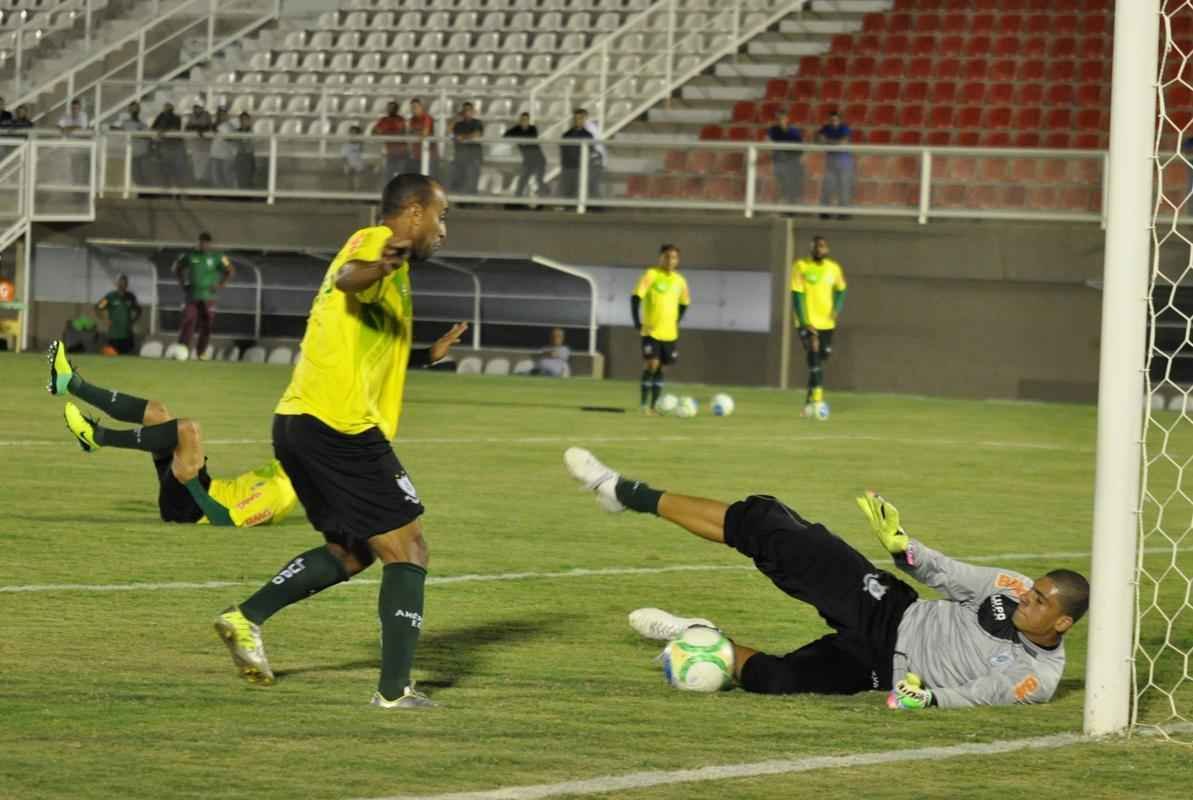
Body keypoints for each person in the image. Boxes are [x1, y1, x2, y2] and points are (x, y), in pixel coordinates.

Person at [564, 447, 1090, 709]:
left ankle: (697, 639)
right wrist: (905, 549)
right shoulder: (1010, 587)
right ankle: (621, 490)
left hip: (881, 669)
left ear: (1061, 622)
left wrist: (927, 699)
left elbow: (983, 694)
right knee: (771, 528)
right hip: (888, 609)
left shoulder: (1035, 678)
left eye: (1040, 600)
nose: (1027, 596)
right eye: (1032, 588)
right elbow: (953, 576)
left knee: (777, 681)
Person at [212, 173, 468, 708]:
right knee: (409, 548)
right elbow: (351, 278)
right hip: (339, 427)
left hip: (303, 422)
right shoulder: (374, 242)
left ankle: (246, 617)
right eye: (441, 217)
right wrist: (384, 261)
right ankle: (395, 692)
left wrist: (427, 356)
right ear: (414, 212)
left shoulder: (394, 277)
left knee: (351, 553)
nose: (443, 231)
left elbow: (367, 336)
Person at [49, 342, 298, 528]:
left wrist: (190, 481)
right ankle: (72, 383)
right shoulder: (283, 468)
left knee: (188, 429)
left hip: (192, 508)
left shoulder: (280, 492)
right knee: (157, 412)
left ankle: (99, 437)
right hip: (197, 486)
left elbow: (227, 520)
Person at [792, 235, 846, 418]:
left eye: (822, 247)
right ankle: (818, 399)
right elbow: (796, 295)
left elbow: (842, 290)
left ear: (827, 250)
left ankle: (808, 405)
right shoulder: (801, 267)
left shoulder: (834, 269)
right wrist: (804, 321)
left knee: (822, 357)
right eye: (816, 246)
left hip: (827, 323)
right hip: (807, 322)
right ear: (811, 248)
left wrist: (837, 308)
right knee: (813, 352)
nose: (819, 249)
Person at [632, 244, 689, 414]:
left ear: (677, 260)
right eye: (666, 256)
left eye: (673, 257)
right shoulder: (651, 275)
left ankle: (654, 405)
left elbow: (684, 303)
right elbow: (636, 297)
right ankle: (643, 405)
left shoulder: (680, 281)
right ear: (660, 258)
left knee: (661, 368)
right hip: (651, 331)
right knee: (652, 365)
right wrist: (636, 321)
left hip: (670, 334)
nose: (670, 260)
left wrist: (676, 321)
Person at [173, 232, 234, 359]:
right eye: (201, 242)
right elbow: (176, 268)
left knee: (207, 325)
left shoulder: (218, 257)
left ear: (210, 244)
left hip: (209, 297)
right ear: (198, 242)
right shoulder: (189, 255)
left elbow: (231, 270)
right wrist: (182, 283)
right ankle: (182, 350)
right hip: (192, 295)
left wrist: (220, 285)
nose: (204, 245)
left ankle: (201, 352)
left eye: (206, 242)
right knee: (188, 319)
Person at [816, 111, 855, 216]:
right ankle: (825, 211)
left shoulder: (844, 128)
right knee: (828, 186)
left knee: (843, 186)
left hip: (844, 161)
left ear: (839, 120)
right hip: (831, 161)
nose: (833, 122)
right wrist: (833, 143)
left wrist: (828, 142)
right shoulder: (826, 128)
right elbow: (818, 139)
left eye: (835, 120)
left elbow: (843, 142)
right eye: (831, 120)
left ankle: (844, 212)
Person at [95, 274, 142, 355]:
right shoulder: (110, 297)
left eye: (124, 283)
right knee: (112, 358)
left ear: (127, 285)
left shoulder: (130, 297)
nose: (122, 285)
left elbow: (139, 310)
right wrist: (105, 320)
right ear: (117, 284)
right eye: (120, 282)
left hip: (127, 334)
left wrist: (133, 321)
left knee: (127, 358)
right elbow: (98, 308)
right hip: (114, 335)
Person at [767, 110, 804, 208]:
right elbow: (767, 141)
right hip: (778, 162)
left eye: (782, 119)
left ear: (787, 119)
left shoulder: (793, 131)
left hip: (792, 162)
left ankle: (792, 207)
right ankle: (781, 206)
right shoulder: (773, 130)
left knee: (791, 185)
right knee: (780, 184)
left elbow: (800, 147)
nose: (780, 121)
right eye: (778, 119)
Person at [504, 112, 546, 199]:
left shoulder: (532, 129)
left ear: (528, 121)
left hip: (539, 159)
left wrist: (518, 138)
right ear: (520, 121)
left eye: (526, 120)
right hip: (528, 160)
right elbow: (505, 135)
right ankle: (517, 199)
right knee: (522, 179)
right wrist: (517, 136)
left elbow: (530, 138)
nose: (524, 122)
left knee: (539, 179)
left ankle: (544, 197)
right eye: (522, 120)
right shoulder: (517, 129)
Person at [559, 108, 595, 201]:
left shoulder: (588, 135)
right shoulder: (566, 135)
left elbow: (590, 150)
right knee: (567, 190)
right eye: (576, 118)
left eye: (580, 118)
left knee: (579, 190)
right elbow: (563, 149)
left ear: (583, 120)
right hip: (568, 166)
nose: (578, 120)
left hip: (581, 167)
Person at [113, 101, 150, 188]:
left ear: (139, 110)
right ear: (129, 110)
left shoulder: (143, 124)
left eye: (136, 109)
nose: (134, 111)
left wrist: (139, 133)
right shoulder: (126, 123)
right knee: (134, 175)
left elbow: (148, 136)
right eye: (132, 109)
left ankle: (144, 193)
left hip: (141, 154)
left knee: (142, 175)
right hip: (130, 153)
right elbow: (120, 132)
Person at [450, 102, 484, 195]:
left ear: (472, 111)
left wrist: (462, 137)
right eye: (465, 110)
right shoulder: (458, 124)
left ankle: (472, 202)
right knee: (462, 180)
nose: (467, 112)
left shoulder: (477, 122)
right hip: (461, 156)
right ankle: (462, 202)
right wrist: (454, 119)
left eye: (469, 110)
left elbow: (476, 134)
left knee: (472, 180)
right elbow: (450, 133)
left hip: (474, 156)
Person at [151, 102, 185, 190]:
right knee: (165, 168)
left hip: (175, 147)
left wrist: (163, 130)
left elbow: (175, 128)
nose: (167, 110)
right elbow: (153, 128)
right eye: (166, 108)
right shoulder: (160, 116)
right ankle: (166, 190)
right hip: (163, 146)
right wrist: (160, 130)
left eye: (169, 109)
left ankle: (177, 190)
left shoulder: (176, 118)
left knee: (176, 169)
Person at [57, 98, 91, 184]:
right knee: (73, 168)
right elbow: (59, 126)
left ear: (80, 108)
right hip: (72, 147)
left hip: (83, 147)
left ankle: (83, 186)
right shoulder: (67, 116)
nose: (74, 110)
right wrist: (68, 128)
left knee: (83, 169)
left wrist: (67, 128)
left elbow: (81, 127)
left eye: (76, 108)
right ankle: (75, 185)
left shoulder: (83, 115)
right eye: (73, 108)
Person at [373, 101, 407, 182]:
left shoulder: (400, 119)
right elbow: (374, 131)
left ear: (396, 109)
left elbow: (401, 132)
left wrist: (385, 132)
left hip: (401, 151)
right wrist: (382, 132)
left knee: (400, 175)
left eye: (392, 108)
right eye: (389, 108)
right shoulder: (383, 120)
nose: (390, 109)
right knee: (388, 175)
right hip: (389, 151)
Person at [185, 102, 214, 187]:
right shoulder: (191, 116)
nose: (197, 109)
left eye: (199, 107)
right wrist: (197, 128)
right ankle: (198, 183)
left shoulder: (207, 115)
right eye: (196, 107)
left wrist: (198, 128)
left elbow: (208, 127)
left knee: (204, 165)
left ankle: (204, 184)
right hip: (195, 144)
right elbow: (188, 127)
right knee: (196, 164)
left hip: (205, 145)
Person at [209, 108, 237, 189]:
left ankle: (232, 194)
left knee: (228, 176)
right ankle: (219, 194)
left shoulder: (229, 126)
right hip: (215, 154)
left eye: (224, 114)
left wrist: (225, 136)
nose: (222, 116)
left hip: (226, 155)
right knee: (216, 176)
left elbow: (231, 138)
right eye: (220, 114)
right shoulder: (213, 126)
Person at [407, 98, 435, 174]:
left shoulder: (427, 118)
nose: (413, 109)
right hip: (416, 155)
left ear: (421, 107)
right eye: (412, 107)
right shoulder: (412, 119)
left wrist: (416, 133)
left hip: (428, 156)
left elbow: (424, 134)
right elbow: (409, 133)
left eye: (415, 107)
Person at [235, 111, 256, 189]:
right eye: (242, 119)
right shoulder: (237, 131)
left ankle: (249, 194)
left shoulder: (251, 132)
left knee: (249, 175)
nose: (244, 121)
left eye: (246, 119)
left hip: (249, 156)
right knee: (240, 175)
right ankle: (241, 193)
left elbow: (249, 144)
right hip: (240, 156)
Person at [343, 124, 367, 192]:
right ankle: (350, 193)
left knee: (358, 181)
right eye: (351, 133)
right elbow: (344, 157)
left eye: (354, 134)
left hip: (358, 166)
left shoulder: (360, 145)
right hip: (350, 165)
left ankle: (357, 192)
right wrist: (348, 165)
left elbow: (361, 153)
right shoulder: (346, 145)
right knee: (349, 182)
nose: (352, 136)